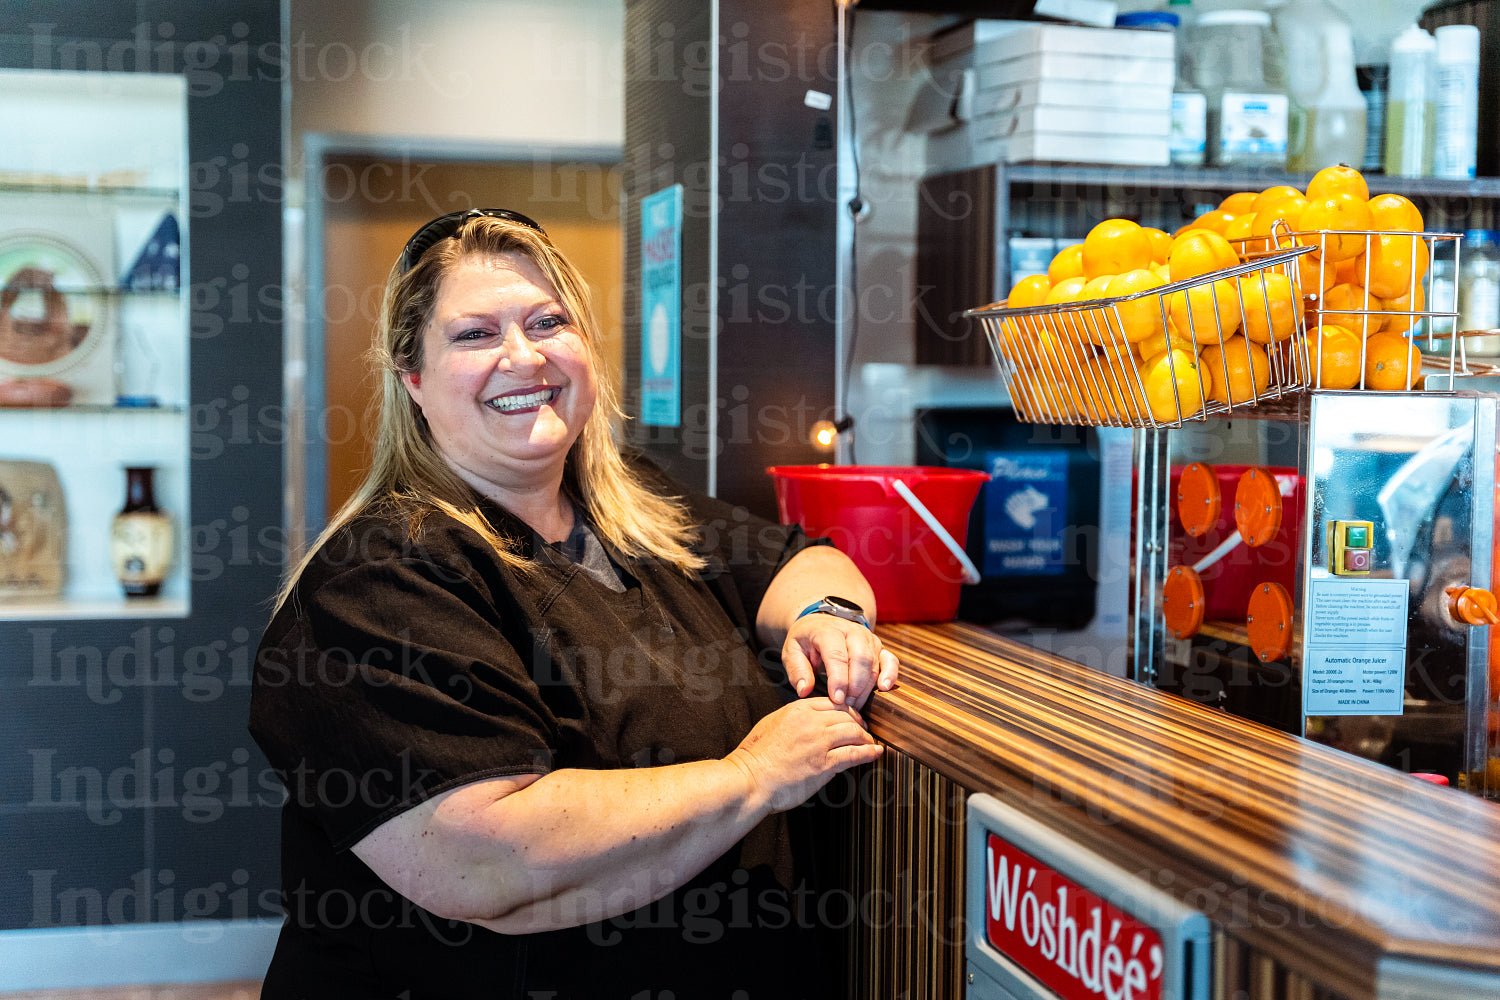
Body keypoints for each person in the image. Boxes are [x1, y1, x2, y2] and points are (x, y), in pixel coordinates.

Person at [250, 208, 900, 999]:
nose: (522, 356)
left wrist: (827, 616)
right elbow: (487, 857)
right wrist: (755, 776)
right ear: (411, 377)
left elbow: (799, 561)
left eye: (547, 321)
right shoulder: (379, 580)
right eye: (475, 335)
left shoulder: (634, 507)